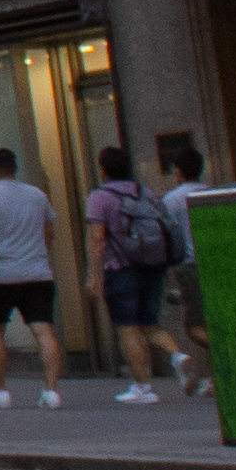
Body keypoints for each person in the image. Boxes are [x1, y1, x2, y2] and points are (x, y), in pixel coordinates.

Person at [0, 147, 64, 405]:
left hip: (1, 275)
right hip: (38, 274)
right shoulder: (37, 195)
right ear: (15, 167)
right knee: (43, 332)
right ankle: (51, 391)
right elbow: (49, 231)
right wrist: (38, 255)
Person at [86, 157, 186, 402]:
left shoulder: (99, 197)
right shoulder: (144, 192)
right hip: (151, 267)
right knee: (150, 325)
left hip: (121, 269)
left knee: (127, 328)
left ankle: (143, 387)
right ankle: (177, 356)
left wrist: (94, 275)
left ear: (104, 170)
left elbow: (97, 239)